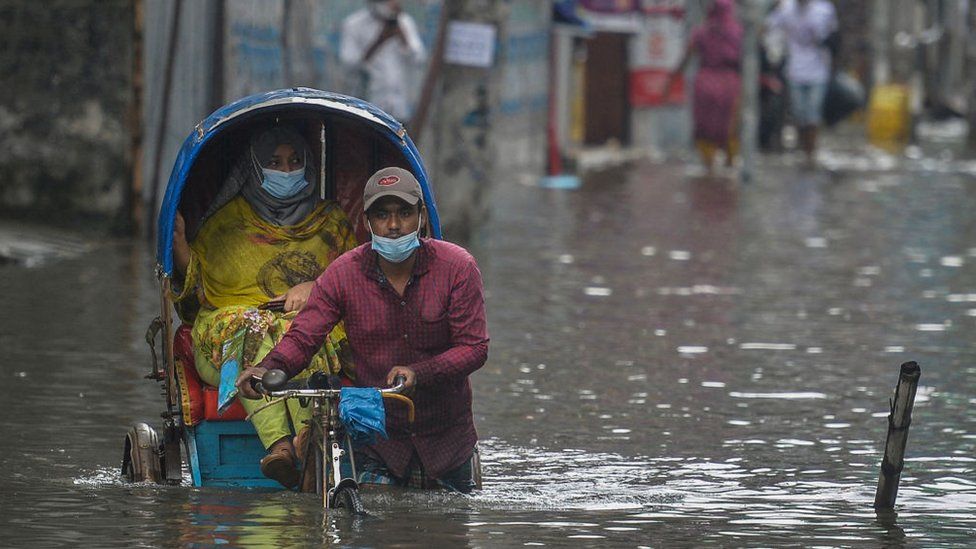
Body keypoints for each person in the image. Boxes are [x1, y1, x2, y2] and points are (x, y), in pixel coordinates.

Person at [236, 166, 489, 494]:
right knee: (369, 529)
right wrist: (270, 368)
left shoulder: (457, 267)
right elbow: (305, 335)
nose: (394, 226)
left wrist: (419, 373)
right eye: (382, 215)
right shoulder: (343, 274)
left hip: (446, 441)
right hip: (377, 440)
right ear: (368, 222)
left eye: (404, 213)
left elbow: (475, 348)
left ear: (422, 218)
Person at [171, 126, 358, 489]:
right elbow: (195, 300)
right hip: (226, 342)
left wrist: (316, 287)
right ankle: (281, 446)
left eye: (294, 162)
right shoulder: (226, 223)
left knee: (301, 330)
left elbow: (357, 282)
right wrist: (179, 247)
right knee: (254, 328)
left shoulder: (331, 223)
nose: (286, 171)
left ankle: (305, 442)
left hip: (306, 328)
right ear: (256, 168)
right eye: (274, 163)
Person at [665, 0, 743, 175]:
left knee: (705, 127)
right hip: (730, 84)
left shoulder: (700, 32)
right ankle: (729, 169)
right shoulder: (738, 32)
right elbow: (746, 62)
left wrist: (670, 82)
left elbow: (686, 57)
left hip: (705, 83)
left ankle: (708, 169)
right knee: (730, 127)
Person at [766, 0, 838, 165]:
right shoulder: (785, 8)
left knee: (812, 114)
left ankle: (810, 153)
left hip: (818, 71)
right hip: (795, 71)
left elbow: (834, 37)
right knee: (799, 113)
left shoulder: (824, 10)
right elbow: (769, 27)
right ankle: (803, 149)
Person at [339, 0, 427, 122]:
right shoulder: (354, 24)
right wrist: (378, 42)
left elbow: (419, 58)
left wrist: (403, 38)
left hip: (399, 107)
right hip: (366, 106)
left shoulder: (405, 22)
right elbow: (349, 65)